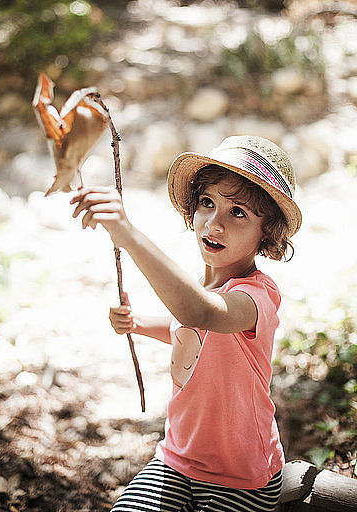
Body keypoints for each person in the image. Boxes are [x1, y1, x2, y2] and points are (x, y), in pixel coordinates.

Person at [70, 135, 302, 512]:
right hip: (177, 459)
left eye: (238, 212)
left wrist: (127, 234)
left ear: (268, 232)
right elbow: (189, 331)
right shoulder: (199, 286)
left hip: (243, 475)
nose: (214, 223)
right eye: (207, 203)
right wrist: (139, 323)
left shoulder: (257, 297)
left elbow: (204, 314)